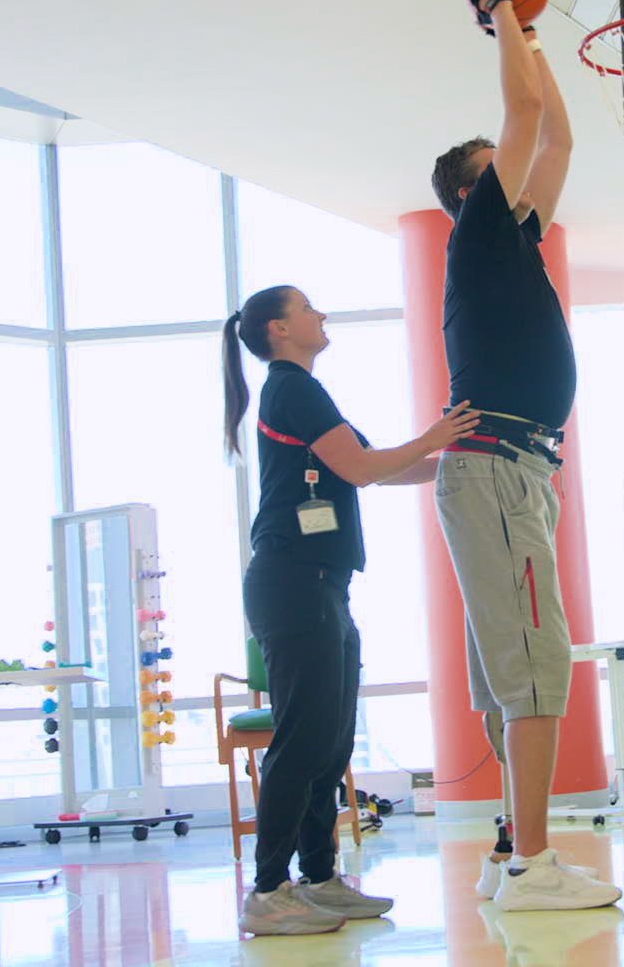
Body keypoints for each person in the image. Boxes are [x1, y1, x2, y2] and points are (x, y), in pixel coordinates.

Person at [425, 0, 620, 913]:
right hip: (498, 472)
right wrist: (502, 10)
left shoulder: (514, 241)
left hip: (514, 471)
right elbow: (527, 115)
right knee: (537, 669)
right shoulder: (475, 236)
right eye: (497, 167)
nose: (520, 167)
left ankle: (521, 854)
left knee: (528, 667)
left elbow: (559, 132)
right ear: (473, 194)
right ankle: (532, 867)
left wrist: (534, 40)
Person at [222, 284, 481, 936]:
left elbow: (379, 469)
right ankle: (268, 890)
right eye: (308, 307)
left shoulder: (305, 392)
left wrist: (455, 456)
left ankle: (318, 878)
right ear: (279, 329)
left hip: (322, 583)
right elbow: (365, 468)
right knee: (301, 736)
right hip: (292, 581)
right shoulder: (289, 386)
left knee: (331, 737)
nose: (322, 315)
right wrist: (436, 432)